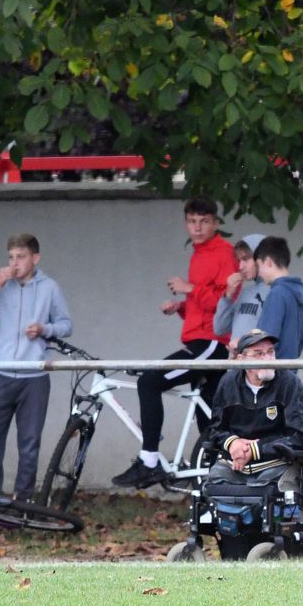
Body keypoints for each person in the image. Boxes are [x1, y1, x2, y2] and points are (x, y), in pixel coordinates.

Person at [113, 198, 237, 489]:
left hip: (211, 343)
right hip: (201, 337)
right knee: (208, 419)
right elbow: (203, 304)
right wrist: (180, 307)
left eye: (204, 221)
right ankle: (214, 485)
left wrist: (189, 288)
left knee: (149, 382)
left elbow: (226, 300)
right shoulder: (198, 254)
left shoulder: (223, 253)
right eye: (192, 221)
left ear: (216, 223)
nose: (197, 227)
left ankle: (149, 461)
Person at [0, 233, 73, 501]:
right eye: (11, 257)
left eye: (21, 257)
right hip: (0, 374)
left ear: (35, 258)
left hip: (34, 377)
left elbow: (66, 325)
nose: (15, 263)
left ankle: (23, 499)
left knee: (29, 444)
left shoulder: (49, 287)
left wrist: (45, 329)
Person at [201, 329, 303, 491]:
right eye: (258, 354)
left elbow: (300, 437)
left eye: (270, 352)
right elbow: (215, 429)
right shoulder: (228, 383)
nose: (267, 359)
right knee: (210, 488)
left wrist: (256, 450)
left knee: (265, 491)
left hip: (275, 464)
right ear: (241, 360)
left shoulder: (290, 383)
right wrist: (233, 443)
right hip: (234, 465)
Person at [254, 236, 303, 360]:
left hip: (273, 370)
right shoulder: (298, 294)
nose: (259, 273)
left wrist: (243, 346)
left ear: (268, 262)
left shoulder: (277, 294)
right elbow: (299, 343)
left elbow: (265, 339)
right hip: (290, 369)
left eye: (259, 265)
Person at [214, 234, 269, 352]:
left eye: (245, 259)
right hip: (237, 366)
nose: (240, 266)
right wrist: (227, 296)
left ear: (261, 257)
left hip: (260, 366)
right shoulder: (245, 293)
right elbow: (219, 328)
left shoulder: (277, 291)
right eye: (239, 261)